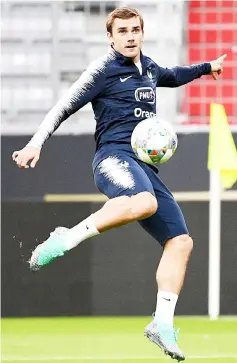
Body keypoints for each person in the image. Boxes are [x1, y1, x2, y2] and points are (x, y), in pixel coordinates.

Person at [12, 7, 226, 362]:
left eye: (135, 30)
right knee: (144, 203)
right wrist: (36, 142)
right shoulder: (102, 71)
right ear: (110, 37)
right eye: (122, 31)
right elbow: (63, 106)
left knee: (181, 241)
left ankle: (162, 323)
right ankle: (66, 237)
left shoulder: (150, 68)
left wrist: (207, 68)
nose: (129, 36)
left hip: (142, 167)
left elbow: (173, 74)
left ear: (142, 33)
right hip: (113, 158)